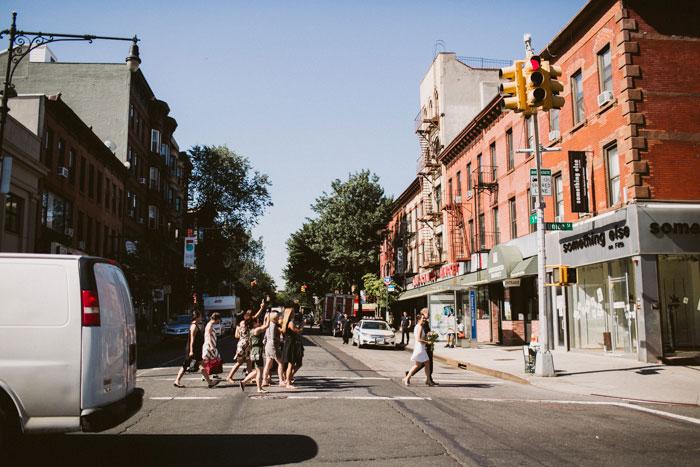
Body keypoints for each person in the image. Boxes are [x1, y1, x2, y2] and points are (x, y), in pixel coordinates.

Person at [173, 310, 218, 388]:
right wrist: (191, 351)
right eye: (200, 316)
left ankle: (209, 382)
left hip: (196, 349)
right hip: (193, 350)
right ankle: (209, 382)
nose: (201, 317)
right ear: (197, 317)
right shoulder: (194, 326)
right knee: (188, 365)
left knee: (199, 365)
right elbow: (192, 340)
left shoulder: (196, 325)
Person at [239, 315, 271, 393]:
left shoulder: (251, 330)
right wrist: (268, 316)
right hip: (257, 350)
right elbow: (266, 326)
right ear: (254, 323)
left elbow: (263, 326)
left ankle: (244, 382)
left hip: (253, 351)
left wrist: (265, 318)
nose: (258, 322)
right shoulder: (256, 330)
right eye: (257, 321)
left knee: (257, 370)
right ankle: (259, 388)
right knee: (259, 371)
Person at [402, 314, 433, 386]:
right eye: (423, 318)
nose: (424, 319)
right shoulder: (420, 327)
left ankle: (428, 379)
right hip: (420, 348)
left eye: (425, 318)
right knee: (418, 365)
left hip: (420, 347)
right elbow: (419, 339)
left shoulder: (417, 327)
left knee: (427, 363)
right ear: (419, 319)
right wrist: (427, 342)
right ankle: (407, 378)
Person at [262, 311, 286, 387]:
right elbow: (273, 338)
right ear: (275, 318)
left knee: (268, 364)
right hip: (273, 346)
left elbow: (265, 337)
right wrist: (281, 340)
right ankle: (281, 380)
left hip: (268, 346)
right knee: (280, 363)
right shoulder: (273, 326)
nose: (279, 317)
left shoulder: (268, 325)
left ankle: (264, 380)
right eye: (278, 316)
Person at [282, 309, 304, 389]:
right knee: (291, 364)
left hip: (289, 343)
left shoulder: (286, 322)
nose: (295, 314)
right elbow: (297, 331)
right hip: (291, 344)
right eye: (293, 312)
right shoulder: (290, 323)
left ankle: (288, 379)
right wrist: (302, 325)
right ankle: (288, 382)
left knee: (293, 363)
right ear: (290, 314)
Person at [202, 312, 222, 379]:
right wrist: (211, 346)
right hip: (209, 345)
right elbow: (209, 336)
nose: (218, 321)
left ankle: (214, 373)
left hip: (210, 345)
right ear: (216, 319)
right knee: (210, 359)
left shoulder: (210, 324)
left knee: (213, 359)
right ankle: (205, 375)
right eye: (218, 320)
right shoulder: (210, 325)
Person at [421, 307, 438, 385]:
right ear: (423, 313)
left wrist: (432, 334)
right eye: (427, 313)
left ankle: (429, 378)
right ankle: (429, 379)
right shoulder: (423, 323)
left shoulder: (426, 323)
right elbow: (423, 333)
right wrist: (430, 335)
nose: (429, 314)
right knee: (426, 362)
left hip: (428, 344)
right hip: (426, 344)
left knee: (424, 363)